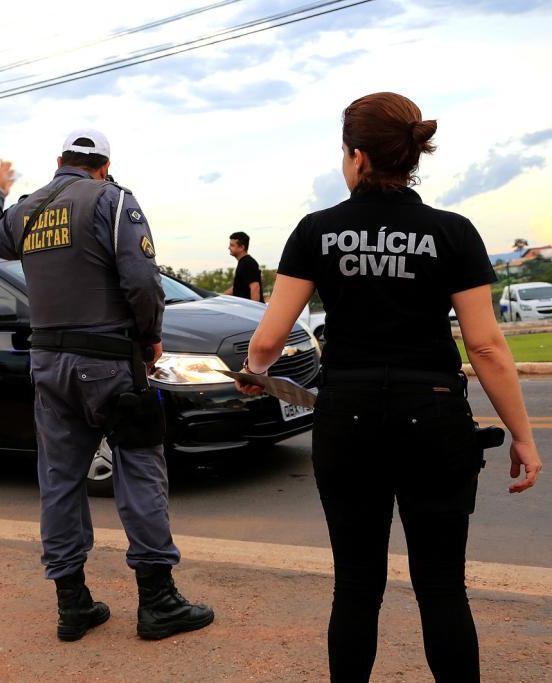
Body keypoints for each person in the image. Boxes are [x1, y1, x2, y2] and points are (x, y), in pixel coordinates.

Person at [236, 92, 542, 682]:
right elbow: (484, 346)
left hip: (346, 416)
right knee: (442, 588)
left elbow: (271, 340)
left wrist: (256, 371)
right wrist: (523, 437)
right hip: (433, 414)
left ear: (356, 157)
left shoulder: (316, 231)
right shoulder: (452, 232)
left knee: (355, 587)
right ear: (410, 156)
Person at [0, 129, 213, 642]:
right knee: (140, 468)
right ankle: (158, 601)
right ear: (104, 165)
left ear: (60, 161)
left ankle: (73, 606)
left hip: (47, 366)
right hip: (108, 363)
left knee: (60, 480)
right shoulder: (114, 199)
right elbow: (142, 281)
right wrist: (149, 338)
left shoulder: (28, 209)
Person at [224, 231, 262, 302]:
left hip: (249, 310)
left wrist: (254, 310)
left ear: (242, 247)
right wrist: (220, 297)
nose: (228, 248)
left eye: (232, 245)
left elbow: (255, 287)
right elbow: (237, 288)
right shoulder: (243, 262)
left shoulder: (248, 262)